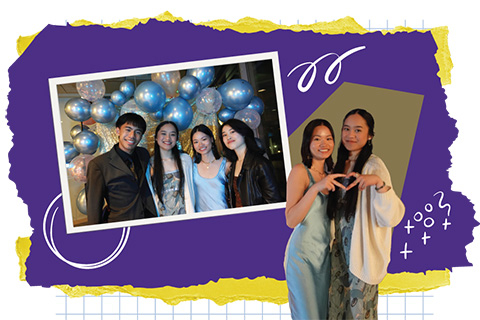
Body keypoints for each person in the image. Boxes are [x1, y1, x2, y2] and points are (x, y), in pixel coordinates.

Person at [327, 109, 405, 320]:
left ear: (369, 135)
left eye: (358, 130)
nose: (350, 135)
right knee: (337, 309)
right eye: (346, 129)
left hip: (361, 253)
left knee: (360, 313)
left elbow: (392, 216)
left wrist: (379, 184)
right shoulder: (335, 166)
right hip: (338, 254)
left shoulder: (373, 166)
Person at [284, 119, 345, 319]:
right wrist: (316, 188)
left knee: (324, 314)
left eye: (328, 138)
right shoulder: (300, 171)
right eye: (317, 138)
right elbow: (291, 220)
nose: (323, 143)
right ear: (307, 143)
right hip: (302, 257)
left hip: (325, 256)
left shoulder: (333, 173)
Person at [85, 113, 156, 224]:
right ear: (118, 131)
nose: (132, 135)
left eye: (137, 132)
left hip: (150, 217)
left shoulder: (143, 154)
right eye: (128, 130)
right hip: (121, 221)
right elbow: (94, 206)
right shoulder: (99, 164)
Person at [220, 118, 283, 208]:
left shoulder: (260, 163)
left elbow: (273, 201)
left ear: (243, 133)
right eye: (224, 135)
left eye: (232, 132)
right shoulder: (233, 165)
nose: (228, 137)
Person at [146, 121, 195, 216]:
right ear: (156, 137)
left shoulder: (185, 160)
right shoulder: (150, 164)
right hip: (161, 220)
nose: (168, 138)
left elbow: (191, 191)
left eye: (172, 134)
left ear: (177, 138)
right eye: (163, 134)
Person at [190, 124, 230, 212]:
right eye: (196, 142)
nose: (200, 144)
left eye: (204, 139)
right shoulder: (191, 165)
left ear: (211, 139)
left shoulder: (226, 164)